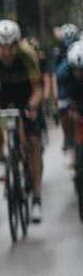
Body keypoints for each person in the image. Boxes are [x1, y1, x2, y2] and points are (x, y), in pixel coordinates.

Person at [0, 19, 44, 222]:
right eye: (2, 47)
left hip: (25, 92)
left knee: (33, 143)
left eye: (11, 47)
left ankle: (36, 199)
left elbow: (37, 89)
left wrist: (32, 105)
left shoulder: (27, 55)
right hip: (2, 91)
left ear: (17, 45)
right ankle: (1, 157)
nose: (6, 52)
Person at [53, 23, 81, 153]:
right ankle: (69, 138)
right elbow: (57, 78)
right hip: (69, 91)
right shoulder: (61, 57)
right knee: (65, 112)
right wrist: (57, 98)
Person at [56, 40, 83, 168]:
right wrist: (68, 108)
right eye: (76, 70)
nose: (79, 73)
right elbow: (62, 95)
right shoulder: (63, 73)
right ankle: (71, 144)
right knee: (68, 117)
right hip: (74, 100)